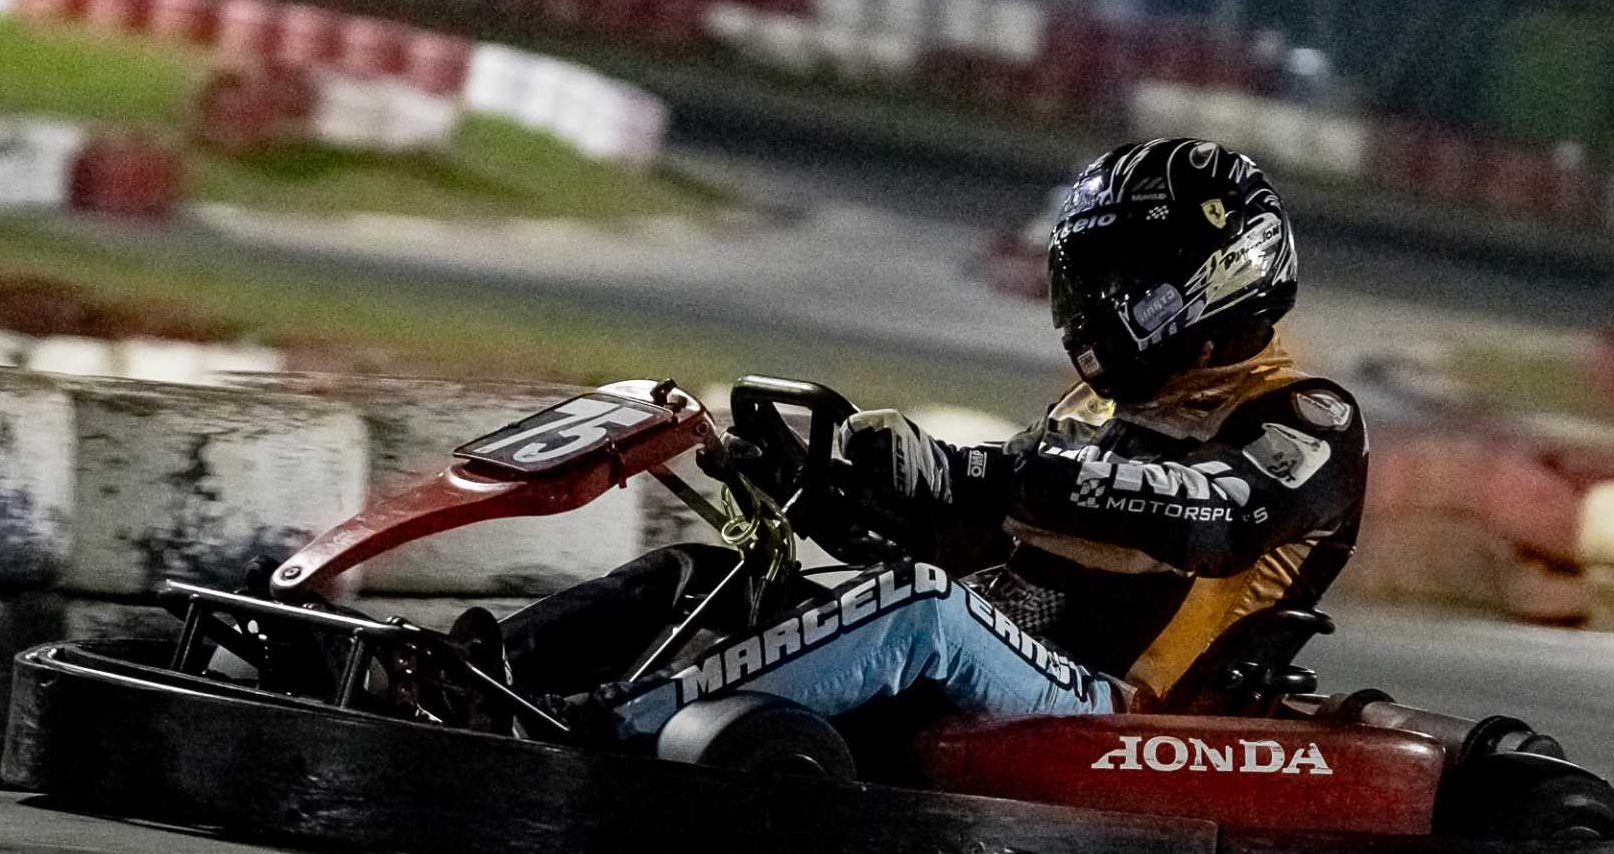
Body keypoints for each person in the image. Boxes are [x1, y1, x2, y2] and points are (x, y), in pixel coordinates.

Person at [493, 138, 1367, 742]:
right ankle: (481, 672)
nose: (1089, 307)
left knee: (922, 609)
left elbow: (1213, 517)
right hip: (1004, 657)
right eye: (1086, 280)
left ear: (1211, 278)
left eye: (1117, 281)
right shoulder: (1098, 411)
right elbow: (968, 542)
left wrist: (977, 469)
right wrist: (837, 491)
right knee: (704, 574)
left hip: (1121, 714)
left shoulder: (1305, 419)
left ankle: (611, 726)